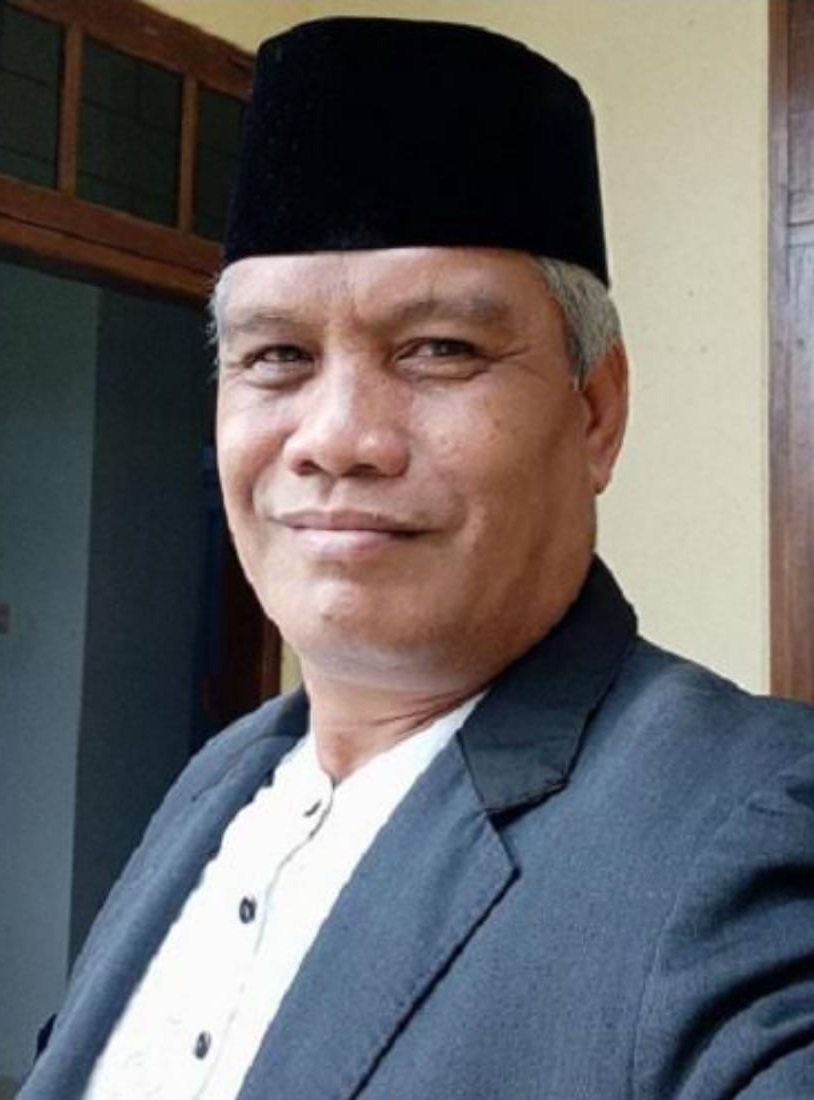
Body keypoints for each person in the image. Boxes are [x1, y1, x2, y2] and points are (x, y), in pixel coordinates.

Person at [21, 16, 814, 1100]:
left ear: (595, 409)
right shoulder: (221, 777)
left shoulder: (750, 824)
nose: (337, 437)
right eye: (276, 355)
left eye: (441, 349)